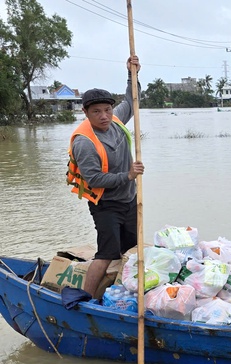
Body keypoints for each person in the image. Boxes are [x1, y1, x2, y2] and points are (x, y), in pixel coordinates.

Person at [67, 56, 144, 297]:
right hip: (106, 206)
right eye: (97, 111)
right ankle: (86, 298)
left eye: (107, 110)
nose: (104, 116)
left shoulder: (117, 120)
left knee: (131, 250)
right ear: (86, 112)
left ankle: (119, 292)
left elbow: (132, 101)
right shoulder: (84, 142)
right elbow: (94, 179)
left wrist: (133, 74)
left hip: (129, 201)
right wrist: (128, 175)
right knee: (106, 253)